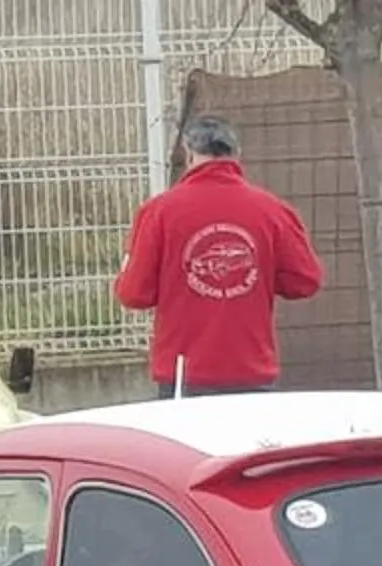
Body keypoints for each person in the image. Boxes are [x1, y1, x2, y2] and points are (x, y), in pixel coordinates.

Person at [113, 114, 324, 399]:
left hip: (184, 374)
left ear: (188, 153)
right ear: (236, 155)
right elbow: (305, 281)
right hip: (252, 371)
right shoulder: (273, 211)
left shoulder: (159, 212)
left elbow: (134, 294)